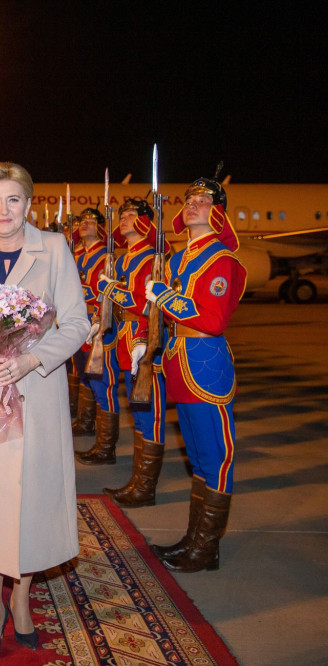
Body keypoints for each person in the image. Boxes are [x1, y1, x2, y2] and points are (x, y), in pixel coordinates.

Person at [0, 162, 88, 661]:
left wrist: (29, 359)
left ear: (29, 204)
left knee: (29, 504)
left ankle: (22, 600)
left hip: (36, 396)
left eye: (13, 200)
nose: (3, 211)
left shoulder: (53, 249)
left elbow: (75, 324)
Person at [147, 176, 246, 572]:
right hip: (179, 359)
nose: (192, 205)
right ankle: (195, 542)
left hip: (205, 363)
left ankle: (205, 548)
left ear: (217, 211)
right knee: (199, 459)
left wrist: (166, 296)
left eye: (203, 200)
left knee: (216, 456)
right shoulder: (180, 256)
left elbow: (213, 318)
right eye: (189, 199)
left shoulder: (221, 260)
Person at [85, 200, 168, 509]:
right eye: (122, 216)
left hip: (143, 337)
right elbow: (113, 301)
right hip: (124, 335)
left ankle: (145, 488)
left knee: (148, 412)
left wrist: (112, 291)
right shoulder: (124, 258)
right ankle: (138, 482)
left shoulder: (150, 257)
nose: (124, 220)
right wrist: (97, 320)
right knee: (138, 410)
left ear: (146, 222)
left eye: (132, 215)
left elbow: (147, 304)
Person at [70, 208, 116, 438]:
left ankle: (105, 442)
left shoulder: (105, 256)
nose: (84, 224)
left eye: (90, 221)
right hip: (79, 318)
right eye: (82, 221)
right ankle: (86, 423)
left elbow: (103, 293)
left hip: (96, 320)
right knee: (83, 372)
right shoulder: (81, 254)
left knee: (99, 378)